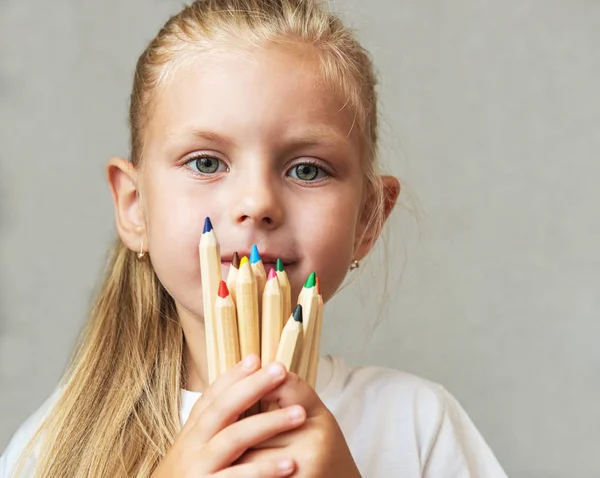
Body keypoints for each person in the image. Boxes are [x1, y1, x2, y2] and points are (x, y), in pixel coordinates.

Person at [0, 1, 508, 476]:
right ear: (135, 207)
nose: (258, 203)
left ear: (368, 220)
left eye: (307, 169)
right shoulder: (54, 442)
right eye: (206, 162)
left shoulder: (420, 424)